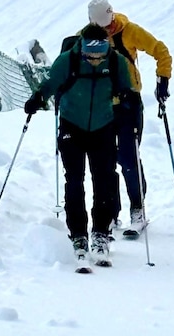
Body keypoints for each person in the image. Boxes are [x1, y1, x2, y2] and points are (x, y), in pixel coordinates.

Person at [24, 24, 134, 266]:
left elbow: (126, 89)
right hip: (72, 126)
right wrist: (37, 99)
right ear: (83, 50)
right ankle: (78, 235)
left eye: (99, 56)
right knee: (74, 180)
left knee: (104, 180)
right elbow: (50, 85)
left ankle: (101, 233)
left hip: (103, 126)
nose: (95, 60)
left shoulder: (116, 62)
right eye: (90, 56)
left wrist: (128, 99)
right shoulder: (67, 61)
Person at [87, 0, 173, 238]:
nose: (109, 29)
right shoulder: (87, 37)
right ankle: (111, 212)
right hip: (102, 107)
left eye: (110, 23)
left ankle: (138, 208)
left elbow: (161, 51)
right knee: (105, 161)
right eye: (103, 27)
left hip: (129, 105)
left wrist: (162, 79)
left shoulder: (130, 31)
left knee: (128, 157)